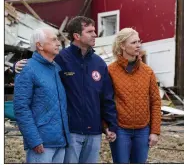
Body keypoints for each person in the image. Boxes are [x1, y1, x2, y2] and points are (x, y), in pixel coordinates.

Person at [14, 16, 118, 163]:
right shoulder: (60, 60)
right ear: (77, 36)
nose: (95, 34)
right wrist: (16, 66)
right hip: (65, 134)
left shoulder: (97, 64)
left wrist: (109, 125)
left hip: (81, 135)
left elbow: (106, 97)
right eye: (90, 31)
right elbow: (22, 105)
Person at [13, 28, 70, 163]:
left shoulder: (55, 67)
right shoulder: (27, 68)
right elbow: (21, 108)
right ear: (39, 45)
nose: (58, 43)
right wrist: (34, 140)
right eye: (53, 40)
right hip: (41, 143)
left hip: (60, 141)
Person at [107, 28, 162, 163]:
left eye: (139, 41)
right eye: (133, 42)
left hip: (143, 130)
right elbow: (105, 102)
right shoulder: (110, 71)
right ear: (122, 46)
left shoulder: (148, 72)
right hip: (120, 130)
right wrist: (107, 127)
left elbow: (155, 101)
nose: (138, 45)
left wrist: (155, 131)